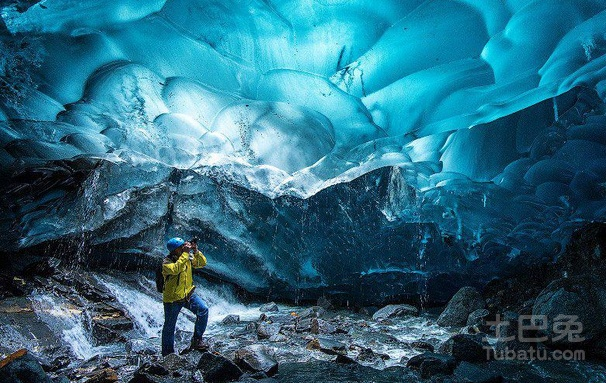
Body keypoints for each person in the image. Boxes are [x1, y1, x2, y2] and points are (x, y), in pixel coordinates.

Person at [161, 237, 209, 356]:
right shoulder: (166, 262)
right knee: (169, 326)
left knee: (203, 310)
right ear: (175, 250)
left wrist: (195, 251)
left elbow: (201, 263)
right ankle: (167, 354)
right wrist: (186, 254)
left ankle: (197, 340)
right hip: (173, 299)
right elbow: (176, 269)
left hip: (187, 295)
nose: (184, 248)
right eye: (181, 247)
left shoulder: (186, 257)